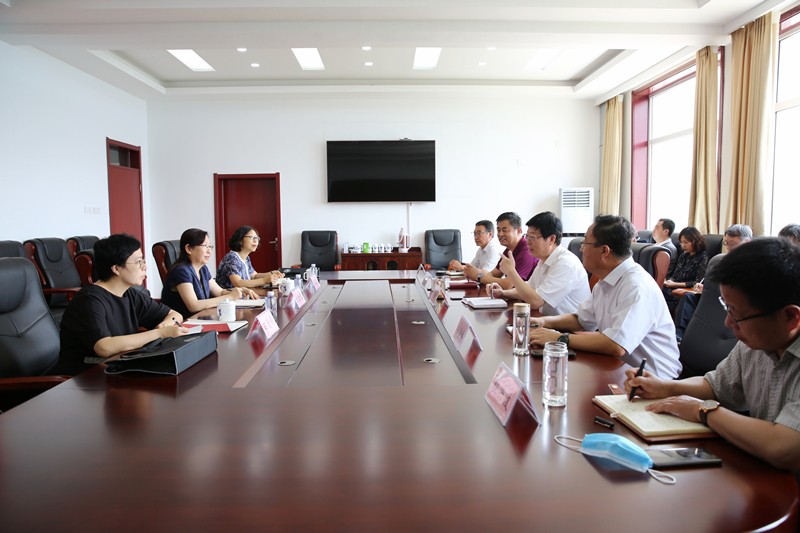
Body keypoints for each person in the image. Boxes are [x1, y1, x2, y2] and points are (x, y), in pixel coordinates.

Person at [624, 238, 800, 475]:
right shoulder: (756, 343)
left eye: (736, 314)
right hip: (761, 475)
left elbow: (784, 447)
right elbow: (716, 386)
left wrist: (703, 410)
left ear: (790, 317)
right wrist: (665, 387)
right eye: (727, 308)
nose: (728, 323)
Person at [529, 215, 681, 379]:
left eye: (585, 243)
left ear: (604, 251)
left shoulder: (636, 286)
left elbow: (616, 344)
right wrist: (543, 322)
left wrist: (560, 338)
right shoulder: (605, 281)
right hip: (618, 370)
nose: (581, 250)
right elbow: (581, 320)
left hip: (654, 381)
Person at [57, 234, 189, 375]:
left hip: (118, 366)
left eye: (143, 260)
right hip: (86, 377)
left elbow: (174, 315)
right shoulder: (89, 300)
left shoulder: (129, 294)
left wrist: (165, 325)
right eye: (138, 262)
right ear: (116, 268)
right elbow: (104, 347)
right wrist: (160, 333)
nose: (144, 266)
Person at [489, 211, 590, 315]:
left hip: (568, 325)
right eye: (527, 236)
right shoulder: (543, 260)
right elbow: (528, 289)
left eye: (532, 237)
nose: (527, 241)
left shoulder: (565, 264)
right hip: (547, 320)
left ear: (551, 239)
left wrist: (511, 272)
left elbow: (536, 302)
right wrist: (502, 293)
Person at [674, 224, 752, 341]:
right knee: (688, 297)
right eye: (726, 243)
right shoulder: (719, 261)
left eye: (733, 244)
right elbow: (708, 280)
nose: (729, 248)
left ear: (747, 243)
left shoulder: (752, 264)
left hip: (730, 303)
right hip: (712, 297)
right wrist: (703, 286)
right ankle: (679, 336)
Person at [162, 228, 258, 318]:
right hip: (183, 323)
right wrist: (229, 297)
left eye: (210, 246)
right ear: (189, 249)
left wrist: (240, 290)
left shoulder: (202, 269)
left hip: (202, 318)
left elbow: (220, 292)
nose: (209, 251)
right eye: (205, 246)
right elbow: (193, 305)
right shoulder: (181, 271)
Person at [463, 212, 537, 289]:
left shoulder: (527, 251)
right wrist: (474, 273)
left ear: (518, 231)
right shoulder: (508, 250)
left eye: (504, 230)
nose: (500, 234)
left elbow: (509, 285)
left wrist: (478, 276)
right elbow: (494, 274)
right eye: (498, 230)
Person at [216, 225, 283, 296]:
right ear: (240, 240)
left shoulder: (246, 258)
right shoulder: (232, 257)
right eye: (251, 237)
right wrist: (264, 280)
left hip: (243, 295)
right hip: (228, 298)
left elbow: (254, 275)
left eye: (256, 238)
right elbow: (237, 283)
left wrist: (271, 274)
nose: (255, 241)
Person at [662, 226, 707, 314]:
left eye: (686, 242)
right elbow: (675, 276)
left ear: (695, 241)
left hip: (687, 291)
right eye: (681, 242)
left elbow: (697, 282)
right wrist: (669, 281)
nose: (683, 245)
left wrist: (674, 284)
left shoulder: (703, 257)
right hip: (674, 287)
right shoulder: (683, 256)